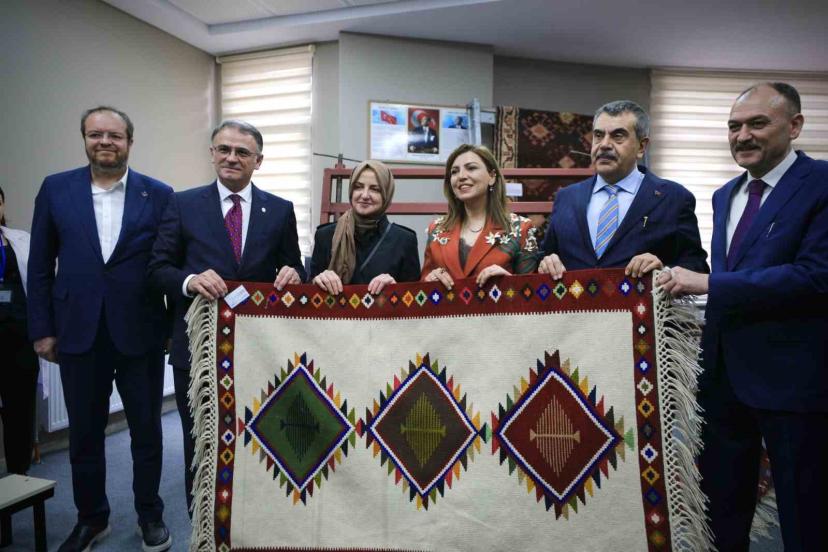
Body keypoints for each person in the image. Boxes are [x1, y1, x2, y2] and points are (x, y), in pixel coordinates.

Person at [659, 82, 828, 551]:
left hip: (794, 381)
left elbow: (816, 276)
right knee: (721, 512)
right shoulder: (724, 195)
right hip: (723, 378)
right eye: (734, 126)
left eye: (758, 123)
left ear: (795, 126)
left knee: (805, 516)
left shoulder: (821, 184)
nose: (743, 136)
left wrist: (710, 284)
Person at [27, 107, 173, 552]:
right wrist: (42, 329)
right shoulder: (56, 189)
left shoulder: (158, 194)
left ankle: (150, 514)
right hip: (78, 333)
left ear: (129, 141)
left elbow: (167, 264)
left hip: (140, 333)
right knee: (85, 435)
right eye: (95, 134)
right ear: (85, 139)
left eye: (114, 135)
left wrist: (170, 328)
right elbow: (39, 267)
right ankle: (91, 518)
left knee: (147, 432)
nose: (105, 142)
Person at [148, 119, 305, 512]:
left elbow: (294, 267)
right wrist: (190, 281)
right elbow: (157, 269)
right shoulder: (182, 204)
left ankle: (256, 521)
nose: (232, 157)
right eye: (224, 149)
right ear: (212, 153)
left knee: (260, 438)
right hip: (197, 350)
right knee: (201, 441)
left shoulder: (279, 210)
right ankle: (202, 524)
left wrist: (294, 274)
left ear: (258, 160)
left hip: (259, 350)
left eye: (242, 152)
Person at [538, 100, 708, 279]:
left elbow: (697, 267)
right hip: (574, 297)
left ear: (641, 147)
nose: (604, 144)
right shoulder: (566, 197)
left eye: (618, 136)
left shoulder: (674, 198)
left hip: (643, 298)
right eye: (598, 135)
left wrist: (664, 271)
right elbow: (545, 257)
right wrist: (546, 262)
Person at [422, 144, 539, 289]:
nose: (461, 176)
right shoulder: (436, 229)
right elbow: (421, 290)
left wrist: (509, 282)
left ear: (492, 176)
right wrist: (429, 280)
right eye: (454, 171)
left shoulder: (520, 228)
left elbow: (532, 293)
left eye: (471, 168)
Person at [310, 160, 419, 295]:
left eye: (375, 189)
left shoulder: (404, 240)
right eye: (358, 187)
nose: (365, 195)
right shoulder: (325, 236)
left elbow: (416, 299)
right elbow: (306, 295)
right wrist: (317, 281)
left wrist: (396, 288)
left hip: (385, 310)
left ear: (386, 194)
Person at [0, 186, 39, 476]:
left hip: (20, 340)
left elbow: (39, 282)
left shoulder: (20, 240)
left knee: (20, 411)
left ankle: (19, 474)